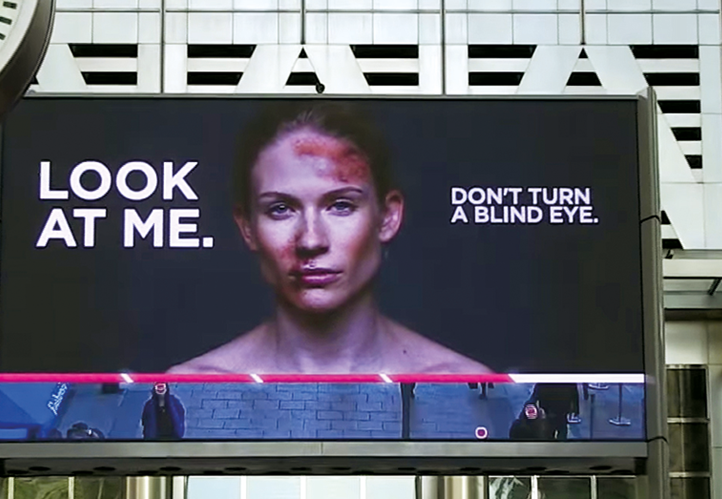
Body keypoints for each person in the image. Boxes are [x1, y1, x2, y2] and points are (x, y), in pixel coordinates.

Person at [170, 102, 491, 375]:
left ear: (388, 216)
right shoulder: (189, 390)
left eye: (341, 205)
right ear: (247, 227)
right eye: (281, 209)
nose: (311, 240)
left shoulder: (467, 387)